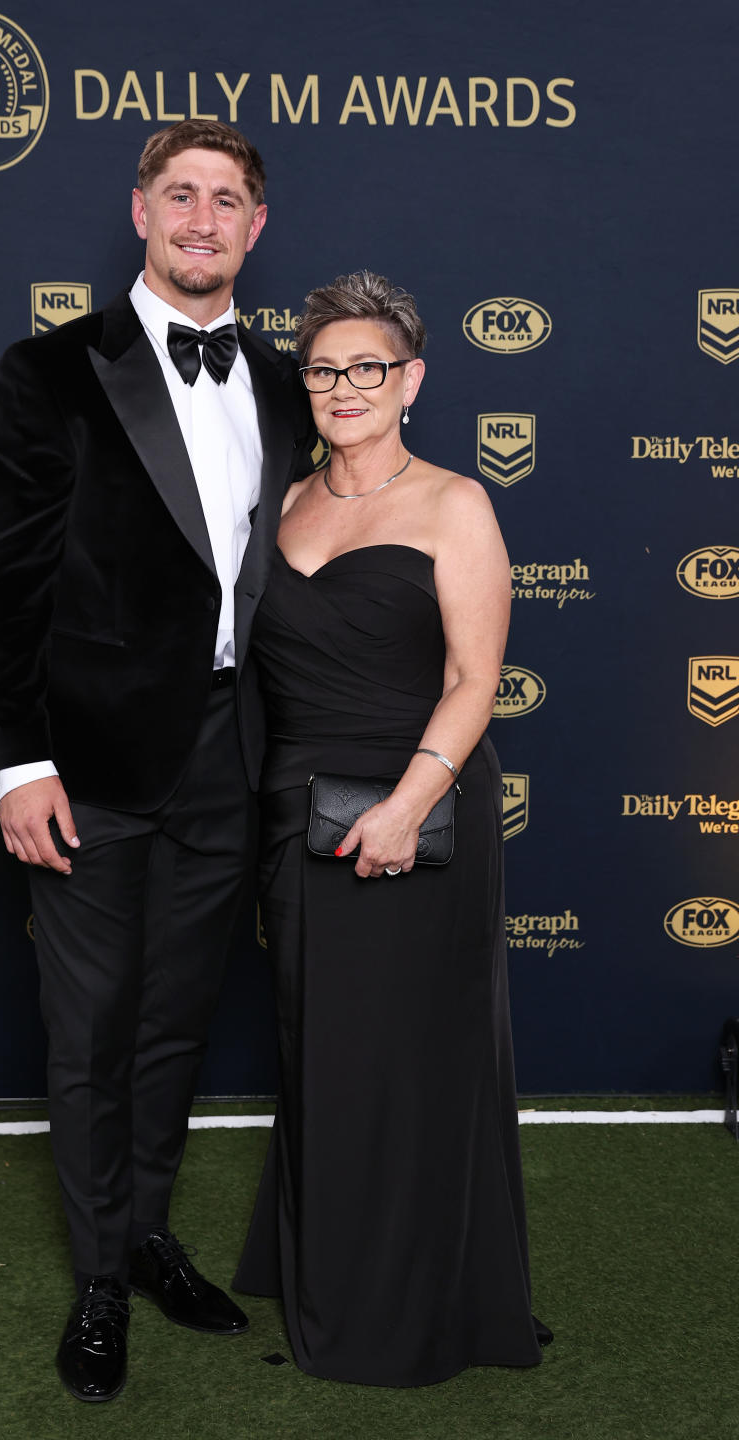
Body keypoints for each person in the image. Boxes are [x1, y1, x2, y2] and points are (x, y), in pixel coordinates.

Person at [0, 119, 317, 1404]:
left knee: (174, 1025)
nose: (204, 219)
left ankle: (149, 1233)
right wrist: (17, 765)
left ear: (257, 228)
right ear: (140, 212)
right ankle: (100, 1285)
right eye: (182, 195)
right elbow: (3, 586)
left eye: (229, 200)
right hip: (90, 767)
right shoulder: (48, 372)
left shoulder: (284, 386)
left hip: (234, 753)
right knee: (92, 1029)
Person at [233, 271, 551, 1385]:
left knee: (414, 1064)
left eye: (368, 367)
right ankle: (328, 1263)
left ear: (411, 380)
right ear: (305, 384)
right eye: (323, 370)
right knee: (324, 1057)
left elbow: (475, 679)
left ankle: (417, 1302)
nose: (344, 387)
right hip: (296, 823)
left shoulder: (457, 503)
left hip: (424, 817)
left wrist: (406, 809)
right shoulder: (276, 505)